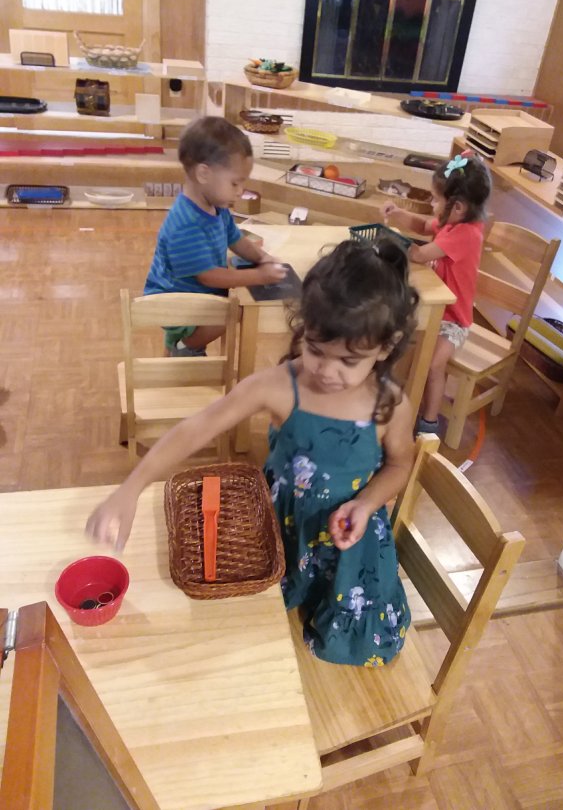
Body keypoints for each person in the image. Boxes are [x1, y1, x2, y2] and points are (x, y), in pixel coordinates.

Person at [87, 239, 420, 667]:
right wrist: (130, 488)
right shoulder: (280, 386)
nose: (326, 370)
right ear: (303, 329)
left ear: (386, 348)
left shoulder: (390, 405)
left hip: (350, 538)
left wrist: (367, 502)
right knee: (251, 634)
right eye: (315, 349)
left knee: (346, 643)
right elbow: (196, 428)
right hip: (280, 527)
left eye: (348, 361)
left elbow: (400, 464)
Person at [144, 116, 286, 356]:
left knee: (231, 307)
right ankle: (185, 346)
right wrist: (259, 276)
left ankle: (180, 345)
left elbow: (236, 238)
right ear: (204, 174)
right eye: (234, 183)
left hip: (196, 296)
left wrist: (262, 257)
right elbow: (209, 277)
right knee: (232, 312)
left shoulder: (217, 207)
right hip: (175, 305)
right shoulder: (185, 224)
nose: (240, 191)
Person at [381, 150, 492, 435]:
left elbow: (419, 255)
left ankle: (429, 422)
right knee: (398, 341)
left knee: (432, 365)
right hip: (434, 309)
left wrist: (391, 241)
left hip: (453, 321)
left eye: (435, 199)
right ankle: (400, 398)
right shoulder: (452, 222)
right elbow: (422, 225)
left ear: (458, 207)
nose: (431, 204)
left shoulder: (467, 234)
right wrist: (398, 214)